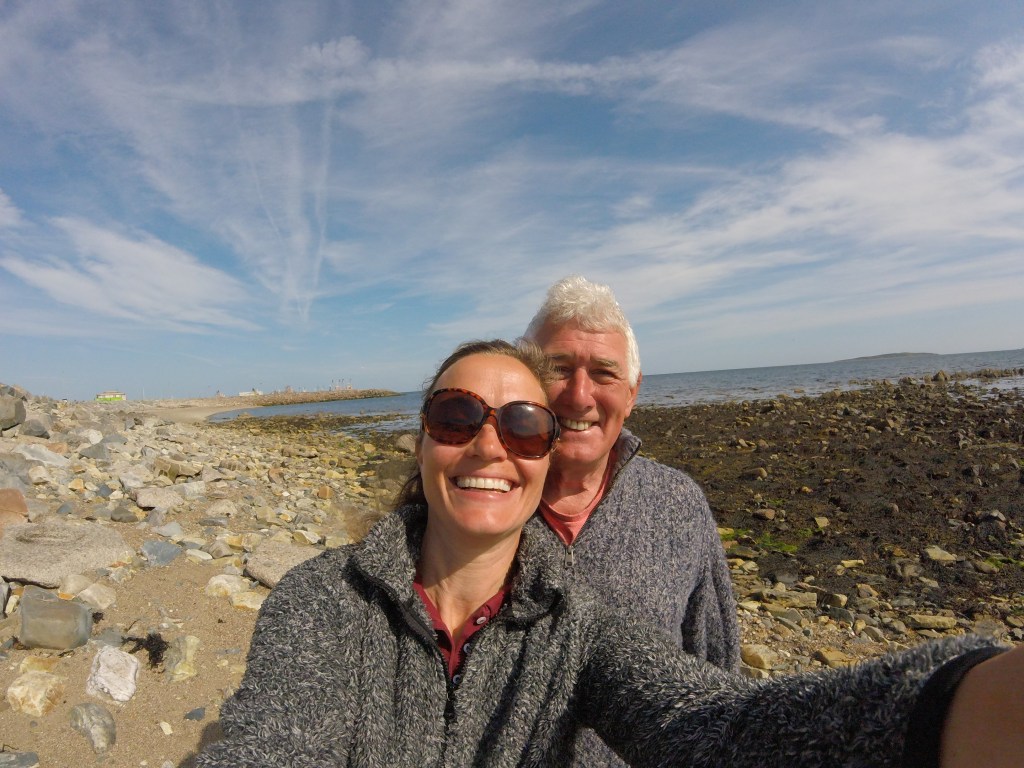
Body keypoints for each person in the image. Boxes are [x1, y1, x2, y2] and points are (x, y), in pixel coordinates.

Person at [196, 339, 1023, 768]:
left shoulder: (577, 627)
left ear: (547, 457)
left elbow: (711, 724)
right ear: (421, 442)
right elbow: (268, 745)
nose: (489, 445)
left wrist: (953, 699)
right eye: (456, 417)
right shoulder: (322, 601)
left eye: (524, 426)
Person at [523, 276, 740, 765]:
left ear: (633, 392)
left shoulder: (677, 504)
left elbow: (717, 673)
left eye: (604, 373)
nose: (579, 396)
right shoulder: (483, 501)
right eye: (559, 368)